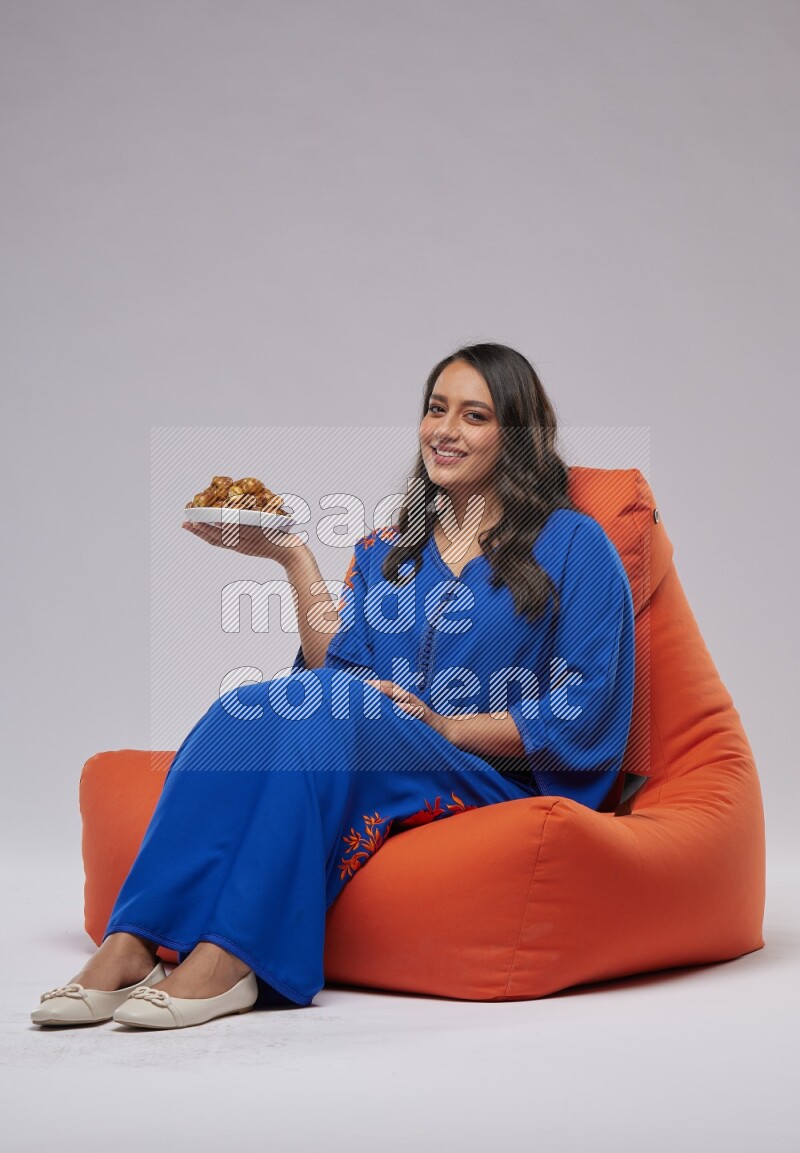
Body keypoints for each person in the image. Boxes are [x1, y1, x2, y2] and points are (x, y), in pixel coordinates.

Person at [31, 342, 635, 1030]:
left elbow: (586, 707)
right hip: (383, 741)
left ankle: (235, 957)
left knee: (334, 708)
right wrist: (292, 555)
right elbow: (337, 672)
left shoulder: (575, 545)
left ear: (516, 434)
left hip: (491, 771)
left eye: (474, 415)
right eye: (436, 409)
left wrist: (447, 727)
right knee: (250, 705)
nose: (445, 429)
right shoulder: (392, 548)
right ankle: (132, 940)